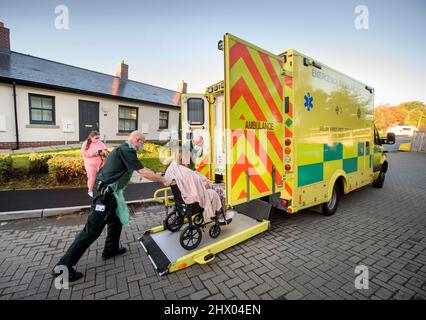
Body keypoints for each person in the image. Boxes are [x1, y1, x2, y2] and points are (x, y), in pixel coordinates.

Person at [52, 131, 172, 282]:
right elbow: (143, 171)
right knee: (91, 230)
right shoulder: (127, 150)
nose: (143, 145)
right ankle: (63, 266)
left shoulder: (123, 148)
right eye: (143, 142)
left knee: (116, 218)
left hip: (109, 191)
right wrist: (163, 180)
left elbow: (136, 168)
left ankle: (111, 248)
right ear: (137, 140)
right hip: (105, 194)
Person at [81, 131, 109, 197]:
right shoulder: (86, 143)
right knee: (92, 178)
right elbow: (83, 153)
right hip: (90, 164)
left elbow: (105, 150)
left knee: (100, 177)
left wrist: (103, 152)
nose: (98, 139)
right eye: (96, 138)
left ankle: (98, 189)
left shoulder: (100, 143)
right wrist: (93, 154)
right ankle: (90, 190)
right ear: (91, 137)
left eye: (99, 138)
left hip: (100, 163)